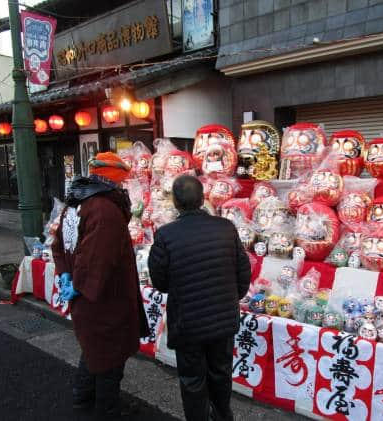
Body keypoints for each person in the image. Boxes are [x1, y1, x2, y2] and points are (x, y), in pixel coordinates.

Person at [52, 152, 148, 420]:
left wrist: (65, 276)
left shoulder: (76, 203)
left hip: (86, 296)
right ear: (114, 180)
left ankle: (82, 397)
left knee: (93, 350)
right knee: (109, 357)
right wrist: (80, 284)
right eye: (121, 182)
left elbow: (58, 245)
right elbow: (96, 257)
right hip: (105, 298)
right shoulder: (104, 209)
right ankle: (107, 410)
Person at [149, 175, 251, 421]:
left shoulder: (166, 235)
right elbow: (243, 271)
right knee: (221, 373)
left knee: (193, 380)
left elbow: (160, 282)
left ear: (175, 202)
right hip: (222, 320)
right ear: (202, 198)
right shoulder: (226, 227)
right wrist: (229, 298)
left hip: (188, 322)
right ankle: (223, 416)